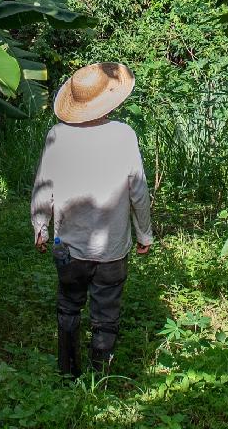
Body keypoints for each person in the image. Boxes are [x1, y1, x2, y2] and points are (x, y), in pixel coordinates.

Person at [30, 61, 153, 377]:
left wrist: (40, 226)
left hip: (67, 245)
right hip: (112, 247)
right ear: (108, 100)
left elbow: (45, 184)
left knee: (68, 306)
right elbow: (137, 189)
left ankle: (68, 373)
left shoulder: (58, 135)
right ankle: (101, 377)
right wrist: (144, 233)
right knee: (106, 313)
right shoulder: (123, 135)